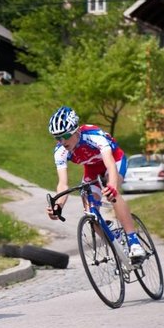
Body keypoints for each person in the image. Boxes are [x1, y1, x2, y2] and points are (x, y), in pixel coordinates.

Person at [45, 106, 145, 260]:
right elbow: (63, 184)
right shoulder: (60, 151)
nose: (62, 141)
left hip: (114, 161)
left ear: (76, 131)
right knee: (91, 214)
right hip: (91, 170)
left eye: (65, 135)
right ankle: (116, 242)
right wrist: (58, 206)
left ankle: (133, 241)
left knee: (113, 195)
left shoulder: (93, 135)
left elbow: (110, 165)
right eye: (57, 137)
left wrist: (111, 185)